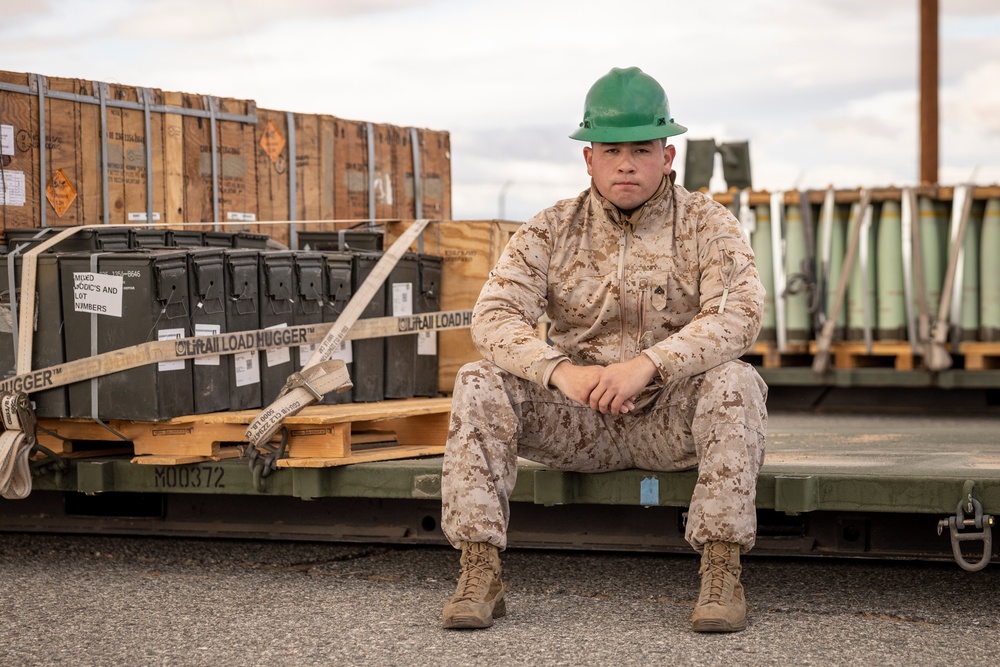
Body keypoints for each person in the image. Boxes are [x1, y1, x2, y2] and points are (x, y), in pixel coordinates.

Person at [440, 66, 768, 633]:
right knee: (478, 379)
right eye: (611, 149)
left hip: (670, 418)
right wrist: (559, 372)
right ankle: (479, 570)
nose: (626, 163)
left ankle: (721, 570)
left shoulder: (707, 224)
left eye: (641, 149)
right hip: (578, 418)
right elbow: (493, 316)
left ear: (667, 156)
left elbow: (740, 313)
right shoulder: (550, 229)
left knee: (736, 381)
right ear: (588, 158)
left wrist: (648, 366)